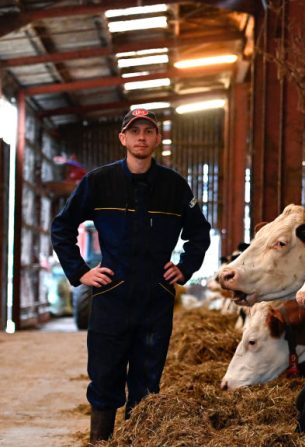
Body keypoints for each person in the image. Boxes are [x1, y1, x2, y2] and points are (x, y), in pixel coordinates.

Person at [51, 108, 211, 445]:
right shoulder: (98, 182)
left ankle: (139, 441)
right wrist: (81, 272)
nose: (141, 137)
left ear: (156, 138)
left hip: (156, 299)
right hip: (112, 296)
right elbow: (62, 227)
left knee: (147, 383)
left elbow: (200, 233)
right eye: (134, 131)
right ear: (122, 137)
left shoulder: (175, 186)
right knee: (105, 380)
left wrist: (185, 267)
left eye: (148, 131)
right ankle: (101, 442)